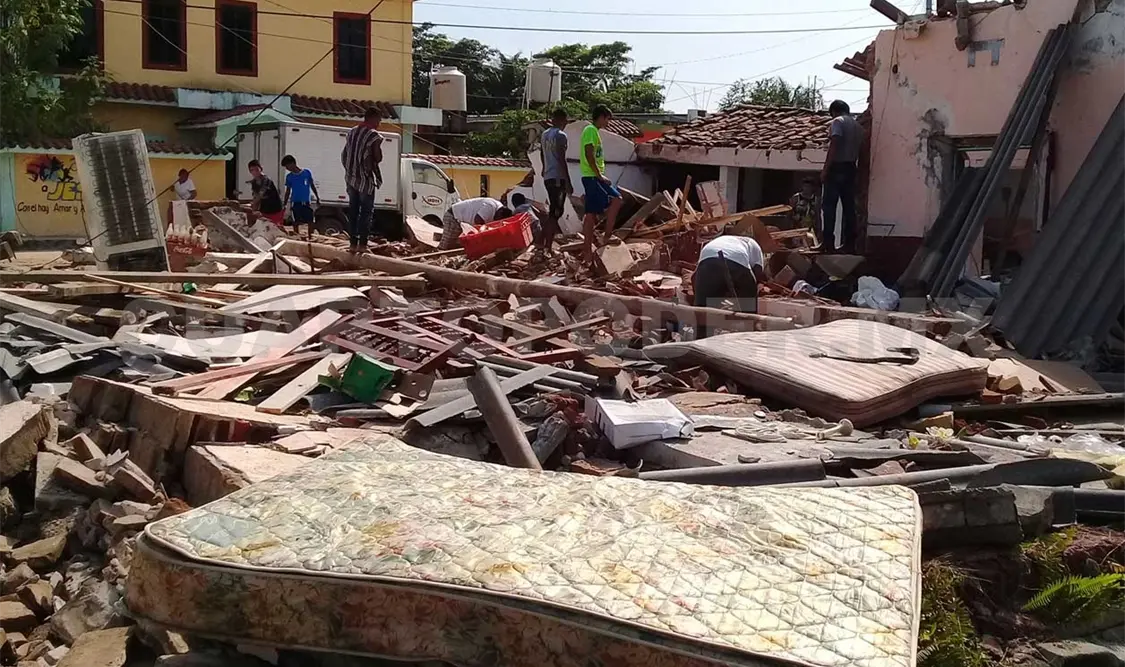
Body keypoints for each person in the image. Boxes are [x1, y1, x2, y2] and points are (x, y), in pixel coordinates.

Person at [693, 233, 767, 331]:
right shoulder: (755, 245)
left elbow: (694, 277)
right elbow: (757, 274)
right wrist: (746, 298)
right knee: (749, 305)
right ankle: (749, 331)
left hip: (707, 257)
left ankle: (701, 334)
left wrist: (699, 297)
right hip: (736, 259)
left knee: (703, 309)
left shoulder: (722, 240)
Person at [580, 105, 623, 261]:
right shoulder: (590, 130)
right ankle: (599, 241)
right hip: (592, 177)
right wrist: (599, 176)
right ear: (601, 117)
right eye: (607, 119)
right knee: (613, 201)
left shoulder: (594, 132)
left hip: (594, 176)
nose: (608, 122)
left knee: (595, 211)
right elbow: (589, 153)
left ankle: (599, 240)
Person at [821, 100, 863, 254]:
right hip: (851, 167)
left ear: (834, 111)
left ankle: (828, 243)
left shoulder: (837, 122)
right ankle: (849, 243)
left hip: (837, 167)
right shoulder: (858, 126)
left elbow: (835, 143)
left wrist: (826, 169)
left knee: (829, 206)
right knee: (849, 207)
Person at [341, 107, 385, 252]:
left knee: (353, 212)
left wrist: (350, 171)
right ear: (373, 118)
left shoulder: (352, 132)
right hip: (365, 180)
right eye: (378, 120)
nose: (379, 123)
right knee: (366, 213)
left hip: (351, 178)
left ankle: (353, 244)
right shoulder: (374, 136)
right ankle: (362, 245)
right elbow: (377, 158)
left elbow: (344, 155)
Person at [540, 108, 571, 250]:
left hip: (548, 176)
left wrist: (543, 168)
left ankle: (543, 241)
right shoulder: (561, 135)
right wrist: (568, 181)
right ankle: (546, 244)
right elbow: (561, 159)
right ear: (562, 120)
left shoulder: (544, 135)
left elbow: (542, 153)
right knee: (556, 211)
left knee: (554, 210)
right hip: (558, 177)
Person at [438, 197, 511, 249]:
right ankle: (436, 259)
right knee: (446, 245)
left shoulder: (498, 207)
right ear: (500, 212)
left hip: (461, 219)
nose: (497, 220)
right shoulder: (490, 207)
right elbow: (478, 220)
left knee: (459, 244)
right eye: (499, 218)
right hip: (453, 216)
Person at [281, 155, 320, 238]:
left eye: (287, 166)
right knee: (296, 222)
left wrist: (317, 197)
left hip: (306, 202)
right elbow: (288, 191)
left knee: (310, 221)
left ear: (292, 163)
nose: (287, 169)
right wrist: (285, 203)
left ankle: (310, 237)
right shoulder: (289, 177)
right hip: (295, 202)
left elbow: (312, 185)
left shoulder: (306, 173)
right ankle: (297, 237)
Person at [247, 160, 284, 227]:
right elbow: (255, 196)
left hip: (275, 208)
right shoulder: (254, 183)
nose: (255, 172)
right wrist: (253, 210)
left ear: (261, 169)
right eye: (252, 170)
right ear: (250, 171)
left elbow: (260, 195)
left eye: (256, 169)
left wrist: (252, 207)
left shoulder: (266, 180)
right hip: (265, 209)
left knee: (276, 228)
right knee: (265, 228)